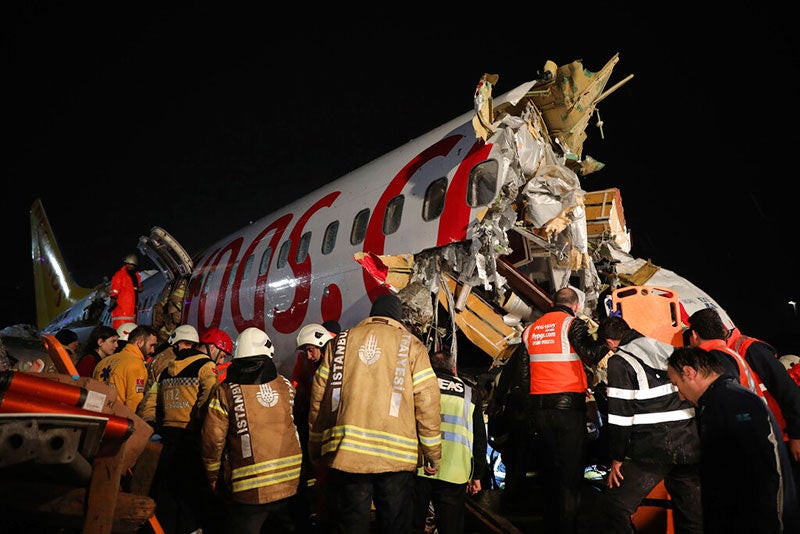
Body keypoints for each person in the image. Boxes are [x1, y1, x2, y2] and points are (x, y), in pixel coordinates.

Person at [308, 293, 442, 534]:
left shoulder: (340, 342)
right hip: (396, 458)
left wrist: (316, 446)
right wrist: (432, 452)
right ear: (397, 316)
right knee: (394, 523)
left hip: (348, 454)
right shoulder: (412, 345)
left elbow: (319, 400)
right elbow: (427, 401)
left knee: (352, 521)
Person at [668, 346, 800, 533]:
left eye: (676, 384)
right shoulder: (716, 403)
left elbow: (769, 473)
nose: (680, 395)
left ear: (689, 372)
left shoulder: (734, 402)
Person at [593, 315, 702, 533]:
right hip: (690, 443)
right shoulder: (666, 349)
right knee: (691, 515)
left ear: (610, 343)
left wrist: (617, 457)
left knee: (614, 505)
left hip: (654, 448)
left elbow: (620, 416)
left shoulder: (619, 361)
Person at [521, 286, 608, 534]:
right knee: (570, 475)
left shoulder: (531, 331)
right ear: (575, 305)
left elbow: (524, 375)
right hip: (568, 408)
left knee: (549, 471)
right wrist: (605, 338)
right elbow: (590, 355)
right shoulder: (572, 324)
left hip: (539, 408)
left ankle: (549, 526)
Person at [200, 327, 303, 533]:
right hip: (291, 484)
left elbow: (212, 440)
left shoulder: (225, 391)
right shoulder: (285, 384)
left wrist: (212, 477)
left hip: (249, 491)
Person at [138, 322, 219, 534]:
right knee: (191, 493)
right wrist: (200, 423)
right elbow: (210, 397)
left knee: (167, 490)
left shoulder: (166, 369)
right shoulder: (205, 366)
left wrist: (151, 425)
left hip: (166, 436)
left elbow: (150, 401)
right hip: (189, 436)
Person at [413, 349, 487, 534]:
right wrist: (477, 474)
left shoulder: (418, 386)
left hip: (419, 467)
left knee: (412, 524)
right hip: (455, 471)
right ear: (453, 369)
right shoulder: (470, 393)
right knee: (451, 527)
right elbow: (479, 437)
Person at [725, 320, 800, 494]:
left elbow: (787, 391)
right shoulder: (733, 352)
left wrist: (797, 434)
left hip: (784, 436)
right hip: (770, 435)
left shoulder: (749, 349)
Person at [292, 323, 336, 532]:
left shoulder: (337, 356)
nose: (308, 356)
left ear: (321, 342)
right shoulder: (311, 360)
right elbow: (299, 383)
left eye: (310, 350)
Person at [92, 325, 158, 412]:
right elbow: (134, 401)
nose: (153, 350)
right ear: (140, 343)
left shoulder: (103, 362)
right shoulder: (136, 365)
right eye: (151, 345)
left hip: (97, 416)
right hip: (118, 420)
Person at [141, 324, 199, 397]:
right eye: (187, 344)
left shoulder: (166, 355)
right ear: (176, 342)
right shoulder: (168, 361)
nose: (189, 348)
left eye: (192, 346)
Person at [109, 253, 142, 330]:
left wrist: (139, 287)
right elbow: (115, 287)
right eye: (128, 264)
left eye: (132, 264)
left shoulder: (136, 276)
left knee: (132, 329)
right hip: (122, 308)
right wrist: (113, 297)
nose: (129, 266)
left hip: (133, 308)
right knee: (122, 329)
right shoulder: (120, 274)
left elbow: (136, 287)